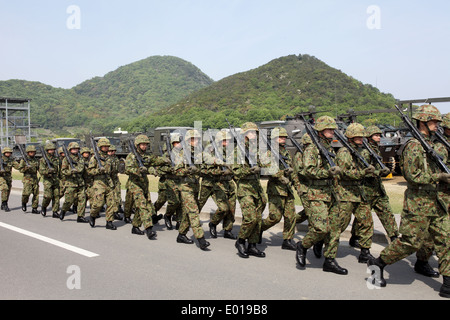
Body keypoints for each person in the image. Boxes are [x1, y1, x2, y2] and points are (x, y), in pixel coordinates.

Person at [368, 104, 450, 299]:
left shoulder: (433, 143)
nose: (436, 125)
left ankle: (447, 284)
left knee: (446, 240)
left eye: (437, 122)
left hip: (437, 201)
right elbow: (412, 175)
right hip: (419, 202)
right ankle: (378, 264)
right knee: (410, 243)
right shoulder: (414, 145)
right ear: (422, 122)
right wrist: (439, 177)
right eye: (433, 121)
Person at [295, 116, 343, 273]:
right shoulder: (312, 148)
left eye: (333, 129)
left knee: (335, 229)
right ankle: (303, 246)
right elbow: (308, 170)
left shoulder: (327, 146)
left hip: (331, 193)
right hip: (316, 194)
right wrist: (327, 172)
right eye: (329, 129)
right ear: (321, 131)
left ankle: (330, 260)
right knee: (321, 228)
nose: (332, 131)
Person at [349, 126, 398, 249]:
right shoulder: (365, 151)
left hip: (377, 188)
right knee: (363, 217)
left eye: (379, 135)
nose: (379, 137)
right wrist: (378, 172)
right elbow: (363, 171)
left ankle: (394, 237)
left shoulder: (375, 149)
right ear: (369, 137)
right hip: (366, 189)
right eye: (376, 135)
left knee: (386, 213)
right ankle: (355, 237)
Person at [232, 122, 267, 258]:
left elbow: (266, 164)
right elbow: (236, 171)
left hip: (256, 188)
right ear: (244, 135)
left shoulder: (256, 149)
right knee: (250, 218)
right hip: (245, 188)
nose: (253, 135)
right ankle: (240, 240)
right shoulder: (237, 150)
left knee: (258, 218)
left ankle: (252, 245)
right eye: (250, 132)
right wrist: (250, 170)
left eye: (254, 132)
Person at [260, 127, 298, 250]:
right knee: (274, 217)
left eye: (284, 137)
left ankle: (287, 240)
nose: (283, 139)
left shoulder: (285, 152)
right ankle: (259, 228)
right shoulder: (268, 153)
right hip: (276, 189)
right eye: (281, 137)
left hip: (287, 188)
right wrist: (280, 175)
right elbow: (267, 169)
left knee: (290, 216)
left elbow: (291, 168)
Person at [172, 129, 210, 250]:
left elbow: (203, 169)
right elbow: (176, 171)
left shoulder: (199, 153)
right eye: (193, 139)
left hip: (195, 186)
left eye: (197, 139)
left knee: (189, 213)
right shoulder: (181, 153)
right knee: (193, 211)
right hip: (185, 187)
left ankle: (181, 234)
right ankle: (201, 239)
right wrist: (187, 170)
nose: (196, 141)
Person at [124, 134, 168, 239]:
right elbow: (127, 169)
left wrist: (165, 160)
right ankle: (149, 228)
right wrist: (138, 170)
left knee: (142, 206)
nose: (144, 146)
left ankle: (135, 226)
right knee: (143, 206)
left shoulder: (146, 156)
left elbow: (155, 161)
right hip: (135, 185)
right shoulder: (132, 156)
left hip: (144, 184)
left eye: (145, 144)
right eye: (142, 144)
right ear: (137, 145)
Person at [200, 130, 237, 240]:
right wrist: (219, 169)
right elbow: (204, 166)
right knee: (200, 205)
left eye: (228, 140)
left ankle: (227, 229)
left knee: (231, 208)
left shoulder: (230, 152)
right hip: (211, 182)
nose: (226, 142)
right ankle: (188, 224)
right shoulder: (210, 150)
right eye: (224, 140)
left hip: (227, 182)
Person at [88, 138, 117, 230]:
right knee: (98, 203)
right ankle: (92, 215)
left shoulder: (110, 158)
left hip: (109, 182)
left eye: (107, 146)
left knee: (111, 203)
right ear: (100, 147)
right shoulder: (95, 158)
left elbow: (113, 172)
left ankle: (109, 222)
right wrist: (98, 170)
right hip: (99, 183)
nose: (105, 148)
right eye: (104, 146)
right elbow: (90, 171)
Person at [60, 142, 88, 223]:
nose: (75, 150)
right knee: (69, 201)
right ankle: (63, 210)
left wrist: (78, 171)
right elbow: (63, 171)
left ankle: (80, 216)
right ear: (70, 150)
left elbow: (82, 168)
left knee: (82, 199)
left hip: (80, 182)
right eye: (73, 149)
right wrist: (70, 172)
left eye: (76, 149)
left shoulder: (80, 158)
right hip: (70, 183)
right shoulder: (66, 159)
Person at [39, 142, 61, 218]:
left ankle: (55, 211)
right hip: (48, 179)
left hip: (56, 179)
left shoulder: (56, 158)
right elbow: (41, 171)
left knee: (56, 196)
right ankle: (44, 206)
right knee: (48, 196)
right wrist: (48, 171)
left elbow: (60, 168)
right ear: (47, 150)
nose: (51, 151)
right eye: (50, 150)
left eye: (53, 150)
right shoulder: (43, 160)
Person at [18, 145, 40, 214]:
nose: (32, 153)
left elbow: (39, 169)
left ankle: (34, 208)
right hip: (27, 179)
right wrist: (26, 168)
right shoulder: (24, 160)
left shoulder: (36, 160)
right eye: (30, 152)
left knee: (36, 194)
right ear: (28, 153)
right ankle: (24, 202)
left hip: (35, 179)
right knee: (26, 194)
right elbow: (20, 170)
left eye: (33, 152)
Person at [108, 145, 123, 221]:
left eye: (114, 151)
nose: (112, 152)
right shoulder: (106, 159)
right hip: (108, 179)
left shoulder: (115, 159)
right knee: (111, 196)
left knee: (117, 194)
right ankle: (113, 212)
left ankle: (116, 210)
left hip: (115, 178)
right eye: (111, 151)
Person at [0, 147, 14, 212]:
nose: (8, 154)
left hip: (8, 177)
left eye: (9, 153)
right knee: (4, 188)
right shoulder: (1, 159)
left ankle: (3, 203)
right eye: (7, 152)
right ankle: (5, 204)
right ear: (4, 153)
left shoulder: (11, 160)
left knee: (8, 191)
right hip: (1, 177)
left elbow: (17, 166)